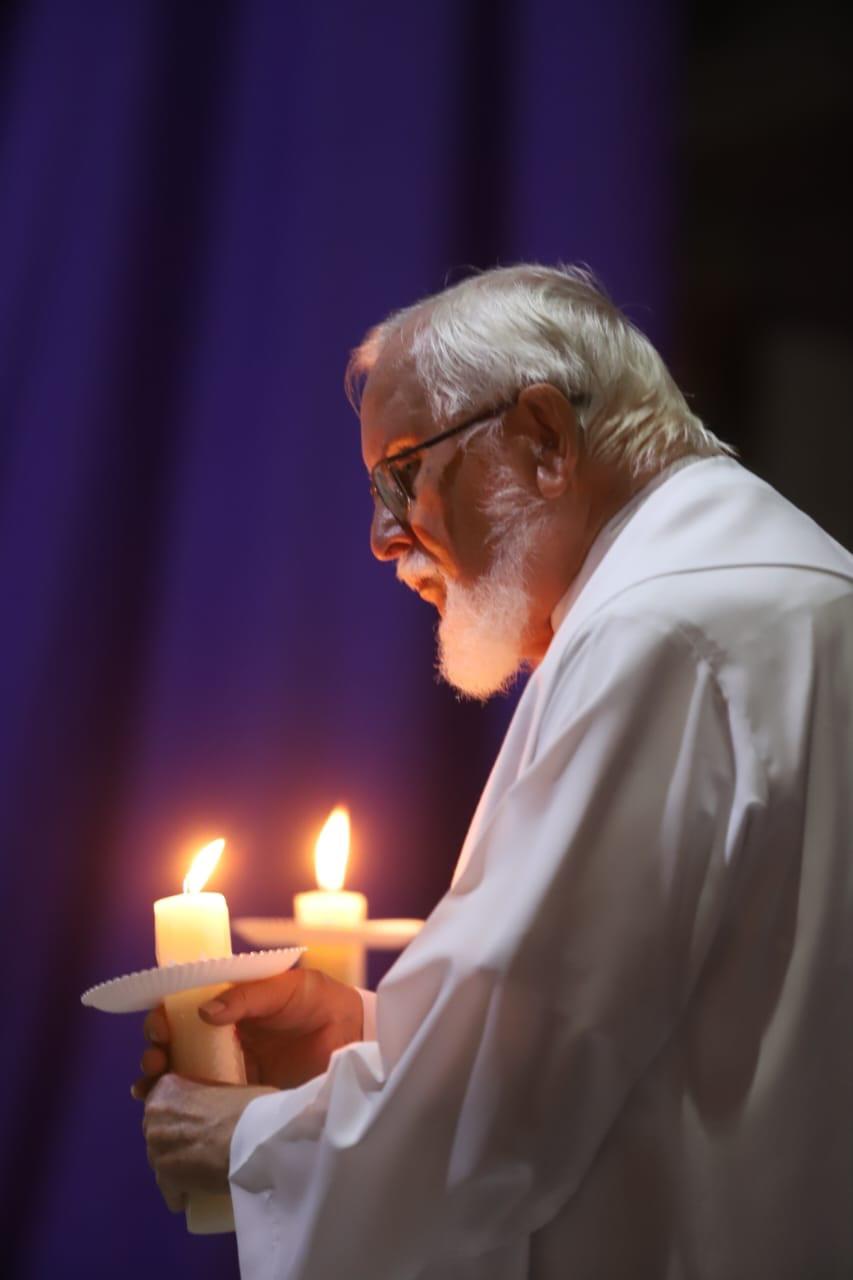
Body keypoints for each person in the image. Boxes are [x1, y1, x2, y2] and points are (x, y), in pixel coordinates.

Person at [139, 265, 853, 1279]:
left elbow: (511, 1108)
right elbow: (658, 1019)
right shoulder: (785, 583)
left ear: (543, 438)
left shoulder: (661, 631)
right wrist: (367, 1033)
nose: (383, 539)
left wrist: (249, 1143)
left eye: (401, 475)